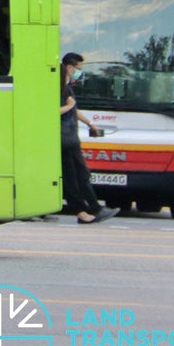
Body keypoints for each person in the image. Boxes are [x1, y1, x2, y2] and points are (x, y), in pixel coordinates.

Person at [60, 52, 118, 225]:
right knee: (75, 176)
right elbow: (54, 110)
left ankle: (88, 210)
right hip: (65, 139)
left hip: (70, 138)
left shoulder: (66, 86)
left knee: (78, 174)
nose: (79, 72)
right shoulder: (57, 86)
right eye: (78, 68)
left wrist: (90, 123)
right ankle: (90, 209)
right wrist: (69, 106)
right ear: (69, 67)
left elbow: (74, 110)